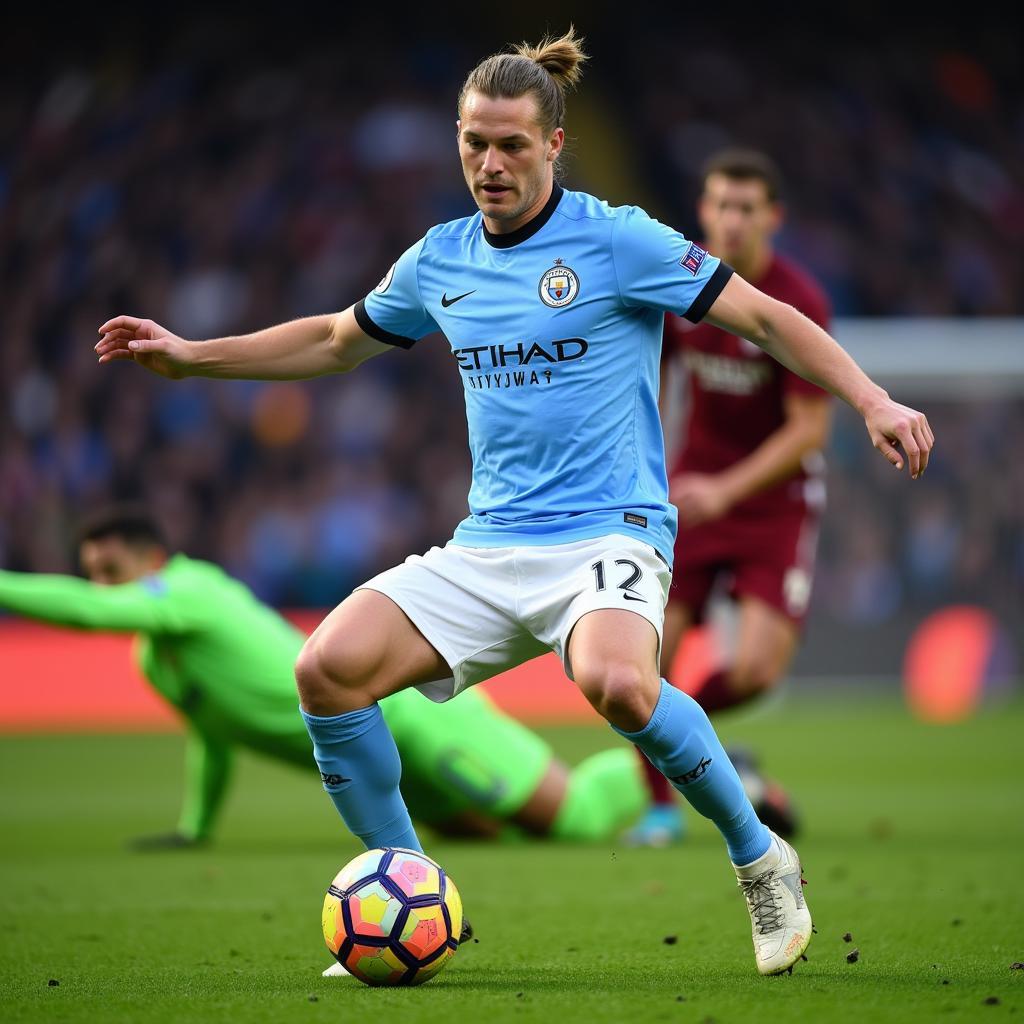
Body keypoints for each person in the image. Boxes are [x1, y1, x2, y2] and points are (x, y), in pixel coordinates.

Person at [95, 29, 933, 977]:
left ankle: (759, 857)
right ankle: (405, 884)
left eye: (511, 146)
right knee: (327, 670)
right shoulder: (440, 259)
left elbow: (768, 318)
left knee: (618, 684)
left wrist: (872, 398)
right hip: (489, 543)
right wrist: (191, 355)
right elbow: (334, 340)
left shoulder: (619, 239)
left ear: (555, 145)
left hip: (610, 531)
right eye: (473, 143)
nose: (489, 165)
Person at [0, 506, 649, 847]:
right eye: (94, 575)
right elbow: (213, 737)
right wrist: (195, 827)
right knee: (497, 841)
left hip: (416, 722)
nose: (101, 589)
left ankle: (673, 772)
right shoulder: (157, 659)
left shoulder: (193, 591)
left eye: (112, 573)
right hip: (379, 764)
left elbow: (86, 615)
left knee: (577, 821)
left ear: (153, 560)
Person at [628, 149, 834, 847]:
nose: (732, 219)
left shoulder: (797, 302)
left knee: (755, 671)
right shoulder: (681, 286)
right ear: (704, 211)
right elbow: (644, 380)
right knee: (646, 662)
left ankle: (705, 743)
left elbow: (808, 430)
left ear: (772, 217)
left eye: (747, 208)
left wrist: (727, 490)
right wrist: (644, 471)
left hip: (773, 501)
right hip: (691, 492)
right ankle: (659, 809)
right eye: (721, 204)